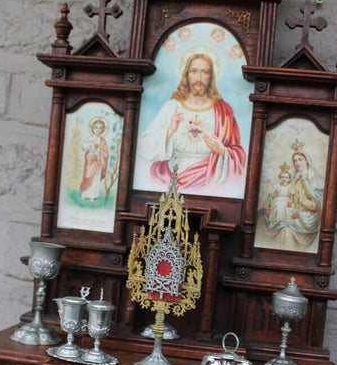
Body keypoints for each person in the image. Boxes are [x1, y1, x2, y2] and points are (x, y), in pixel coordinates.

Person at [137, 52, 246, 191]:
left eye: (204, 72)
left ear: (211, 76)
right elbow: (143, 145)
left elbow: (240, 156)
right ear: (186, 75)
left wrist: (223, 151)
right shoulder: (172, 107)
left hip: (209, 180)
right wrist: (169, 131)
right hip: (169, 177)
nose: (198, 78)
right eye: (193, 71)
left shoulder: (223, 111)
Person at [257, 142, 325, 251]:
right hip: (290, 209)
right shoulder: (293, 179)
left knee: (285, 230)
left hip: (304, 216)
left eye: (300, 159)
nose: (297, 163)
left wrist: (300, 199)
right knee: (261, 216)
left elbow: (317, 206)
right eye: (295, 161)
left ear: (307, 161)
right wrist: (273, 195)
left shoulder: (313, 181)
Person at [79, 117, 109, 200]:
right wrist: (89, 144)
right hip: (89, 160)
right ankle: (84, 194)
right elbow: (83, 147)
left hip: (97, 162)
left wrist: (100, 154)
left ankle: (92, 196)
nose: (98, 130)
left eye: (100, 128)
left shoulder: (102, 140)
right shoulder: (90, 138)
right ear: (92, 128)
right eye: (96, 127)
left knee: (95, 179)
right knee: (87, 176)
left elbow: (105, 152)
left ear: (103, 130)